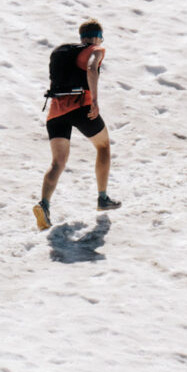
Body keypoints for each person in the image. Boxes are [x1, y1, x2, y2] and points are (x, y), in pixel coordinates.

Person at [35, 19, 122, 230]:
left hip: (56, 112)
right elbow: (92, 68)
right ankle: (102, 198)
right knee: (103, 146)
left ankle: (44, 205)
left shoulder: (64, 53)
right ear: (97, 36)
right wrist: (94, 100)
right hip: (81, 107)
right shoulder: (96, 49)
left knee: (58, 163)